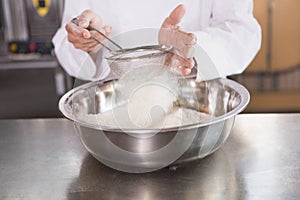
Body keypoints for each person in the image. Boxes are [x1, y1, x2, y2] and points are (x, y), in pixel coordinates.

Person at [52, 0, 261, 81]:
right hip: (112, 110)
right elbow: (66, 38)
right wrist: (87, 42)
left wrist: (193, 48)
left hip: (196, 100)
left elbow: (240, 31)